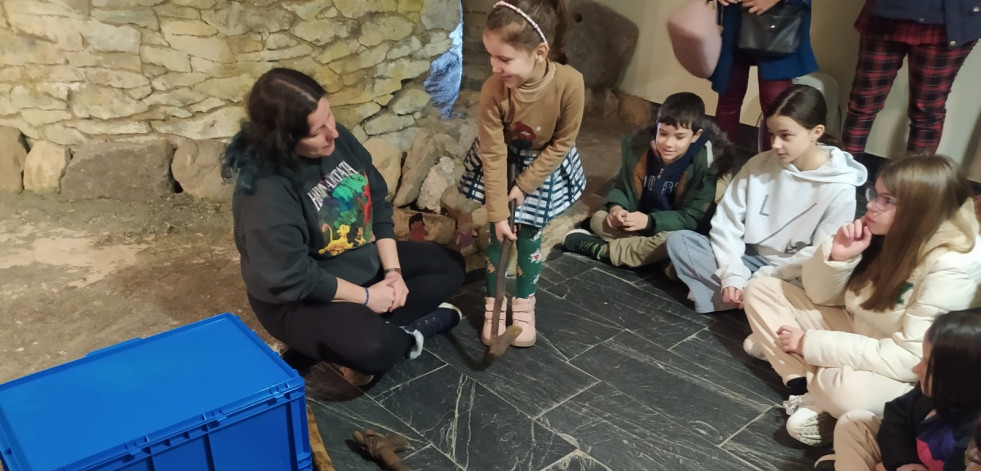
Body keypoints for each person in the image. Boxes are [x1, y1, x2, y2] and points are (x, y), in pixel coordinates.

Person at [221, 68, 466, 380]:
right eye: (316, 131)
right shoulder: (264, 192)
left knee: (450, 266)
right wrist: (368, 298)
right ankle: (402, 333)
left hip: (360, 263)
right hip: (300, 297)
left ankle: (346, 333)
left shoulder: (338, 140)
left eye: (329, 116)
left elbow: (376, 201)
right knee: (378, 350)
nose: (332, 133)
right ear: (283, 140)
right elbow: (296, 278)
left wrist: (393, 274)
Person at [743, 155, 981, 447]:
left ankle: (807, 378)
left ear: (920, 209)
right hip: (860, 333)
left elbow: (910, 359)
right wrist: (839, 257)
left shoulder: (954, 263)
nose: (870, 205)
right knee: (762, 289)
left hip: (905, 371)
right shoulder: (888, 232)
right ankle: (803, 386)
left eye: (887, 200)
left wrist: (811, 344)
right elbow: (823, 297)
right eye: (874, 194)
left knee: (845, 389)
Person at [665, 84, 867, 314]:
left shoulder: (841, 188)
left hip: (791, 274)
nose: (775, 144)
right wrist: (732, 275)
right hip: (746, 258)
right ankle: (749, 303)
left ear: (816, 132)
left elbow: (819, 252)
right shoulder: (758, 164)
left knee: (815, 290)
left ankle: (730, 296)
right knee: (679, 242)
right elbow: (727, 223)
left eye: (786, 135)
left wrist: (759, 280)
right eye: (772, 134)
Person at [458, 0, 584, 348]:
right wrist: (498, 210)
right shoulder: (492, 91)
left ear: (540, 52)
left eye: (504, 59)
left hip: (544, 165)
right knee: (497, 238)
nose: (494, 67)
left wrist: (525, 187)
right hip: (502, 160)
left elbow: (561, 143)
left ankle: (524, 304)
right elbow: (493, 153)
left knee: (529, 238)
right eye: (490, 57)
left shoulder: (571, 83)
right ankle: (494, 304)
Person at [561, 92, 740, 268]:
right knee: (599, 219)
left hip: (673, 229)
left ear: (695, 135)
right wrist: (617, 208)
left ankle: (604, 251)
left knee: (672, 241)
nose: (668, 143)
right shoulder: (641, 149)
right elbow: (622, 186)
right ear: (656, 127)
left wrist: (650, 221)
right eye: (663, 133)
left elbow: (692, 217)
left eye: (679, 137)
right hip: (641, 225)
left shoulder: (708, 166)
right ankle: (660, 259)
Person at [816, 309, 981, 471]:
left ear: (962, 377)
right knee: (854, 422)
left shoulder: (971, 441)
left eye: (928, 363)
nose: (916, 369)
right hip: (912, 459)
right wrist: (902, 463)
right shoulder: (932, 393)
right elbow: (896, 413)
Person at [842, 0, 981, 156]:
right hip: (886, 15)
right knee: (863, 103)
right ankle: (843, 175)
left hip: (950, 21)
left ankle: (914, 180)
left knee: (927, 113)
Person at [712, 0, 818, 149]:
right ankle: (721, 168)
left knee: (775, 106)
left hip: (780, 15)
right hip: (735, 13)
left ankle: (772, 169)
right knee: (728, 98)